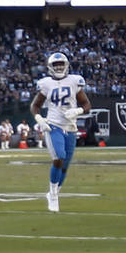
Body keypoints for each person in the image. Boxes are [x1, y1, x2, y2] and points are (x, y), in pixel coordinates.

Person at [31, 52, 91, 212]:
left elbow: (86, 104)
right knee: (59, 157)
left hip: (71, 127)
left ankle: (54, 192)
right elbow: (35, 105)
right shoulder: (46, 84)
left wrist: (77, 111)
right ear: (50, 67)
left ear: (66, 65)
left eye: (60, 64)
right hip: (54, 125)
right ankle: (53, 194)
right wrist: (39, 119)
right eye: (55, 65)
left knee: (64, 166)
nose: (58, 67)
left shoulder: (74, 81)